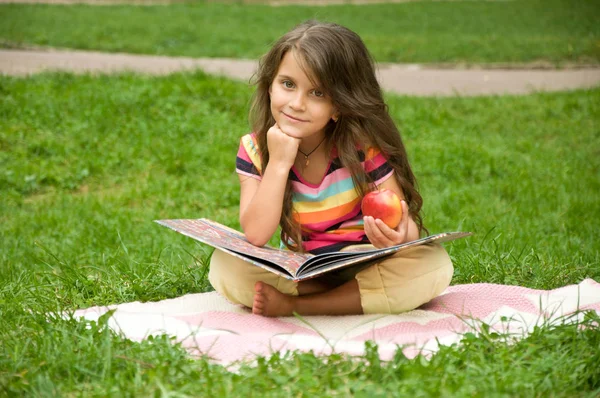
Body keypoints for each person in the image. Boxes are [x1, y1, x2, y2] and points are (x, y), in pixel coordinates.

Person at [209, 20, 453, 317]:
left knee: (434, 265)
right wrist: (280, 163)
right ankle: (347, 299)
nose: (297, 103)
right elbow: (257, 234)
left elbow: (404, 223)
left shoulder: (362, 148)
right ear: (270, 85)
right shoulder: (254, 149)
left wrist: (401, 236)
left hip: (364, 263)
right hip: (305, 270)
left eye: (318, 93)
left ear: (339, 105)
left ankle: (299, 306)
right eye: (288, 84)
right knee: (225, 266)